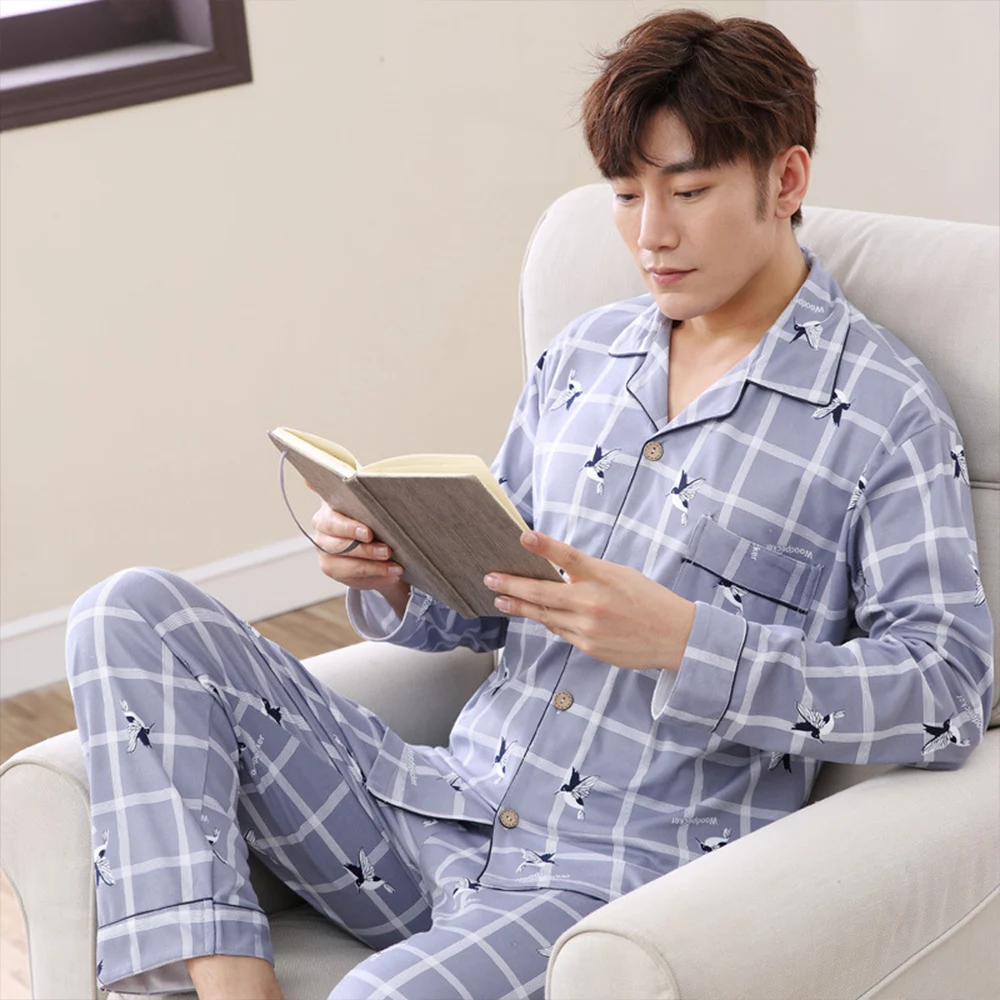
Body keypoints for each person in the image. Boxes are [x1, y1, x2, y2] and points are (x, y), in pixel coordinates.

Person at [66, 8, 994, 1000]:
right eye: (626, 194)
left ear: (787, 180)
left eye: (687, 192)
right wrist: (396, 570)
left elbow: (948, 692)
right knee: (129, 611)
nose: (650, 234)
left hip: (613, 882)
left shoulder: (883, 414)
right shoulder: (583, 356)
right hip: (439, 804)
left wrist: (686, 642)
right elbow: (488, 601)